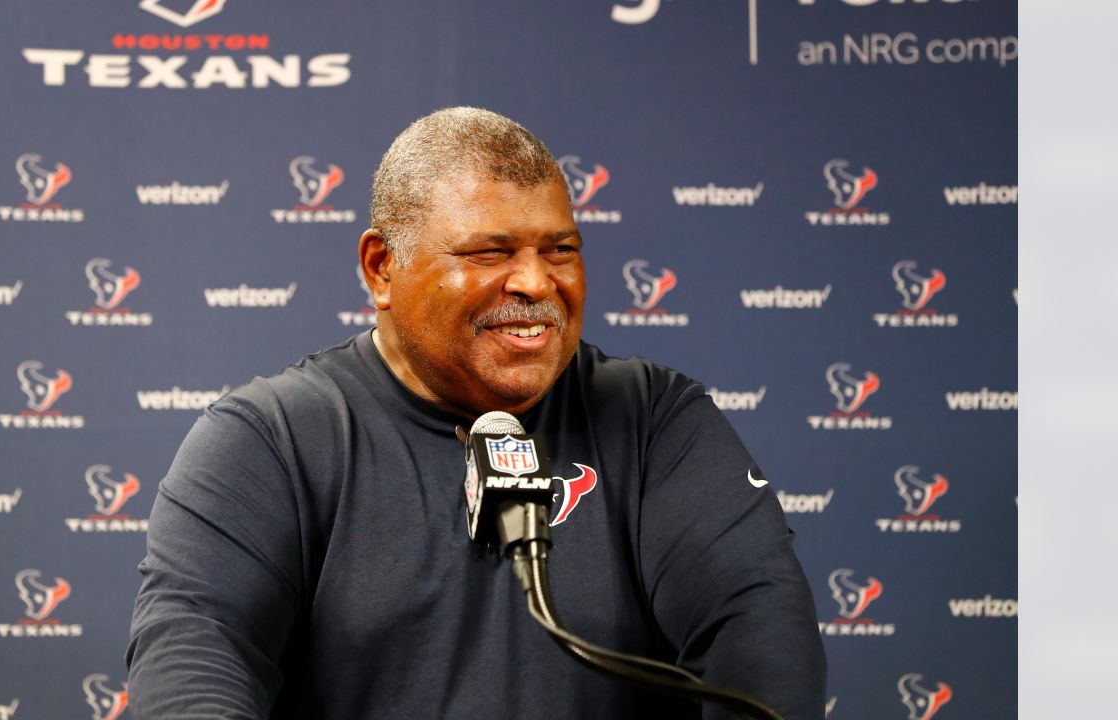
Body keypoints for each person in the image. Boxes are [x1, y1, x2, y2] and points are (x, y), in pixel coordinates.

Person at [127, 107, 826, 719]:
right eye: (490, 252)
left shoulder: (657, 419)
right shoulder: (269, 440)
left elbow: (759, 634)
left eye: (561, 251)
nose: (534, 282)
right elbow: (193, 662)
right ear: (381, 268)